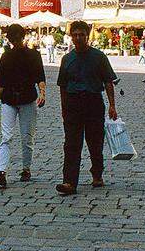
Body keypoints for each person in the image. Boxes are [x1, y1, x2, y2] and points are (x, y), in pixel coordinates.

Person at [54, 20, 117, 196]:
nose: (78, 37)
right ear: (71, 37)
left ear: (87, 36)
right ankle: (69, 181)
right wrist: (64, 108)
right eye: (75, 35)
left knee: (95, 142)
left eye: (81, 34)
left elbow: (108, 82)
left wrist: (112, 105)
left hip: (93, 103)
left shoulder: (99, 57)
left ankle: (97, 174)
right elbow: (62, 86)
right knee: (71, 144)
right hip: (73, 104)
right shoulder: (67, 59)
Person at [0, 24, 46, 189]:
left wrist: (42, 93)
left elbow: (39, 77)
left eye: (14, 38)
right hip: (17, 100)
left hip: (19, 99)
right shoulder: (19, 56)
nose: (14, 40)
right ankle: (3, 171)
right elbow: (1, 82)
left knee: (16, 137)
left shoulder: (19, 56)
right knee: (21, 137)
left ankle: (23, 169)